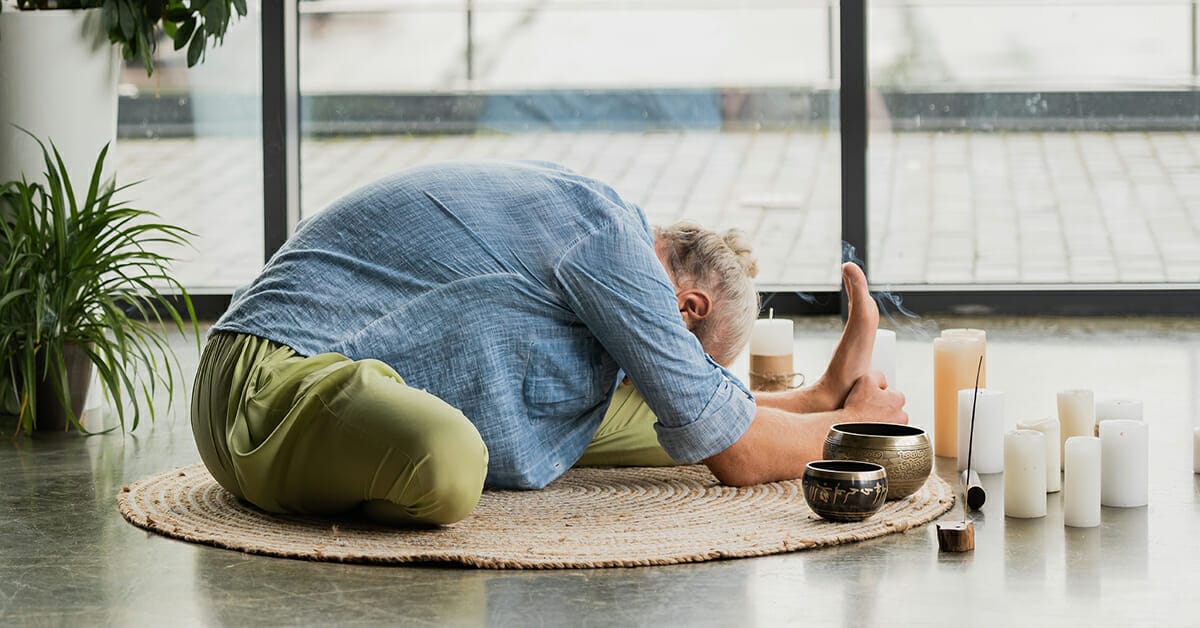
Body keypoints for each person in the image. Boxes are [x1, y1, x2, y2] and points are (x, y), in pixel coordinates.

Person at [191, 160, 906, 527]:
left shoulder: (593, 230)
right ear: (688, 308)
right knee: (451, 462)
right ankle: (830, 414)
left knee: (608, 415)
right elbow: (739, 455)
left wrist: (818, 406)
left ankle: (814, 398)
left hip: (285, 396)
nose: (661, 377)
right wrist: (856, 439)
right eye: (696, 362)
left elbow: (696, 421)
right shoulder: (609, 243)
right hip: (264, 388)